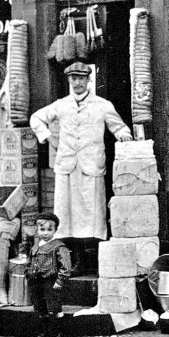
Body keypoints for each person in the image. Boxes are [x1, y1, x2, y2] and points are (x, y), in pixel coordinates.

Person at [30, 62, 132, 271]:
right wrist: (49, 138)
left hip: (91, 166)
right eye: (73, 78)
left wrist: (124, 136)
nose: (77, 82)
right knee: (67, 216)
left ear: (88, 80)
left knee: (92, 215)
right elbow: (36, 118)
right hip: (67, 167)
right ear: (68, 80)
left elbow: (120, 127)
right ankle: (72, 261)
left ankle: (91, 261)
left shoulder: (102, 105)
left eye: (81, 78)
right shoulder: (61, 105)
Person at [27, 212, 72, 337]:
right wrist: (28, 273)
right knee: (40, 308)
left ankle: (61, 334)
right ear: (37, 229)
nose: (45, 233)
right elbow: (30, 262)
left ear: (55, 230)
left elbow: (66, 266)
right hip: (37, 281)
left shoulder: (58, 246)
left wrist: (60, 281)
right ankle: (43, 335)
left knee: (55, 308)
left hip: (51, 282)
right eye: (42, 229)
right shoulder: (35, 247)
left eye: (49, 230)